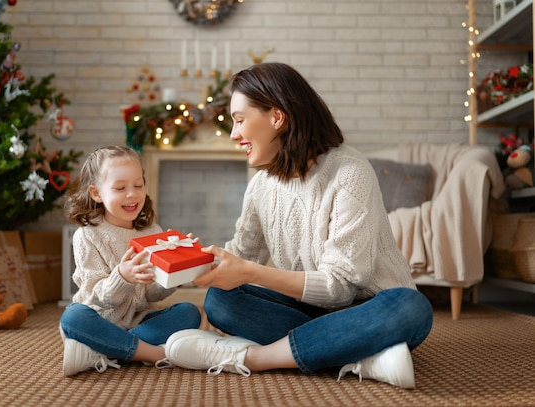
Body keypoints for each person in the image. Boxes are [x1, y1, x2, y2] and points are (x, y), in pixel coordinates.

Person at [162, 62, 434, 389]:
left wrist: (249, 272)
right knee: (221, 300)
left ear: (277, 117)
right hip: (312, 313)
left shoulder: (349, 174)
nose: (234, 135)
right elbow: (239, 256)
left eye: (239, 120)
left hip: (368, 309)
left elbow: (341, 287)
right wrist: (182, 265)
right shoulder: (261, 185)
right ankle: (363, 356)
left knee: (411, 307)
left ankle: (252, 358)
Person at [59, 145, 202, 376]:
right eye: (120, 188)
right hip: (99, 319)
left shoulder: (152, 231)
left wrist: (178, 270)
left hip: (138, 322)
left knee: (189, 312)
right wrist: (122, 278)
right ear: (97, 193)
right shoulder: (87, 236)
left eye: (138, 185)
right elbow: (96, 297)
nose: (132, 194)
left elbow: (151, 294)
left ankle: (103, 350)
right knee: (72, 317)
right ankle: (156, 354)